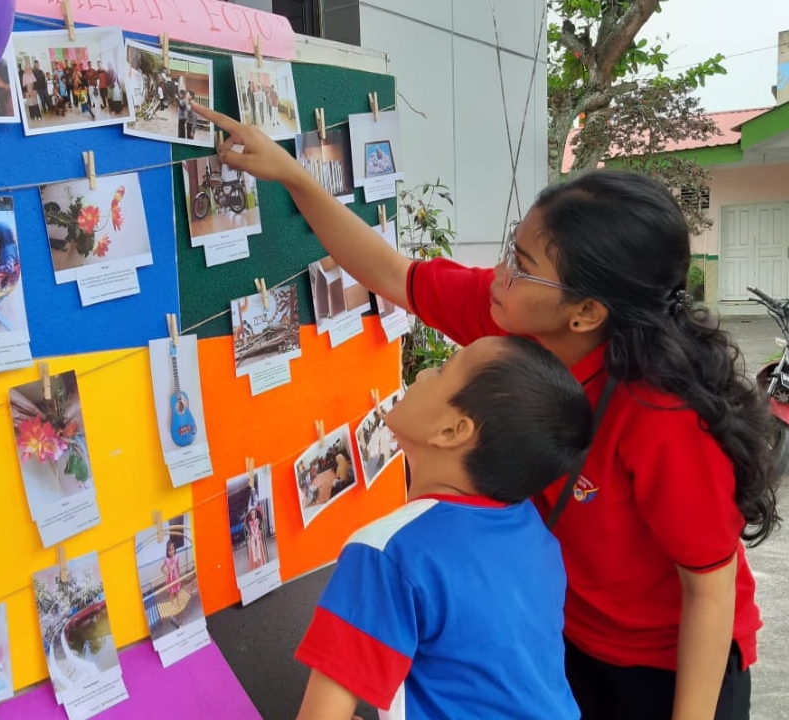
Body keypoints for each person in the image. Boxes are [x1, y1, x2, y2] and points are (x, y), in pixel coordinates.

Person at [194, 103, 782, 720]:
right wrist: (294, 174)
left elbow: (709, 589)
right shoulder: (510, 322)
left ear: (585, 313)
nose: (500, 274)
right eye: (513, 248)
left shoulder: (662, 412)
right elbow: (388, 271)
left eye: (524, 267)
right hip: (568, 638)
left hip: (672, 663)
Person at [295, 335, 591, 719]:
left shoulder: (387, 553)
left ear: (452, 431)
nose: (420, 376)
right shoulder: (532, 532)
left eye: (442, 370)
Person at [161, 539, 182, 629]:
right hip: (170, 579)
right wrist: (166, 572)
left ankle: (178, 601)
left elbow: (178, 566)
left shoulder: (177, 556)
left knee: (177, 591)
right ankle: (172, 604)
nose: (171, 551)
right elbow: (161, 568)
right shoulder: (166, 560)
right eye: (169, 550)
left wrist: (179, 572)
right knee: (171, 593)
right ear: (167, 551)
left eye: (173, 549)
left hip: (176, 578)